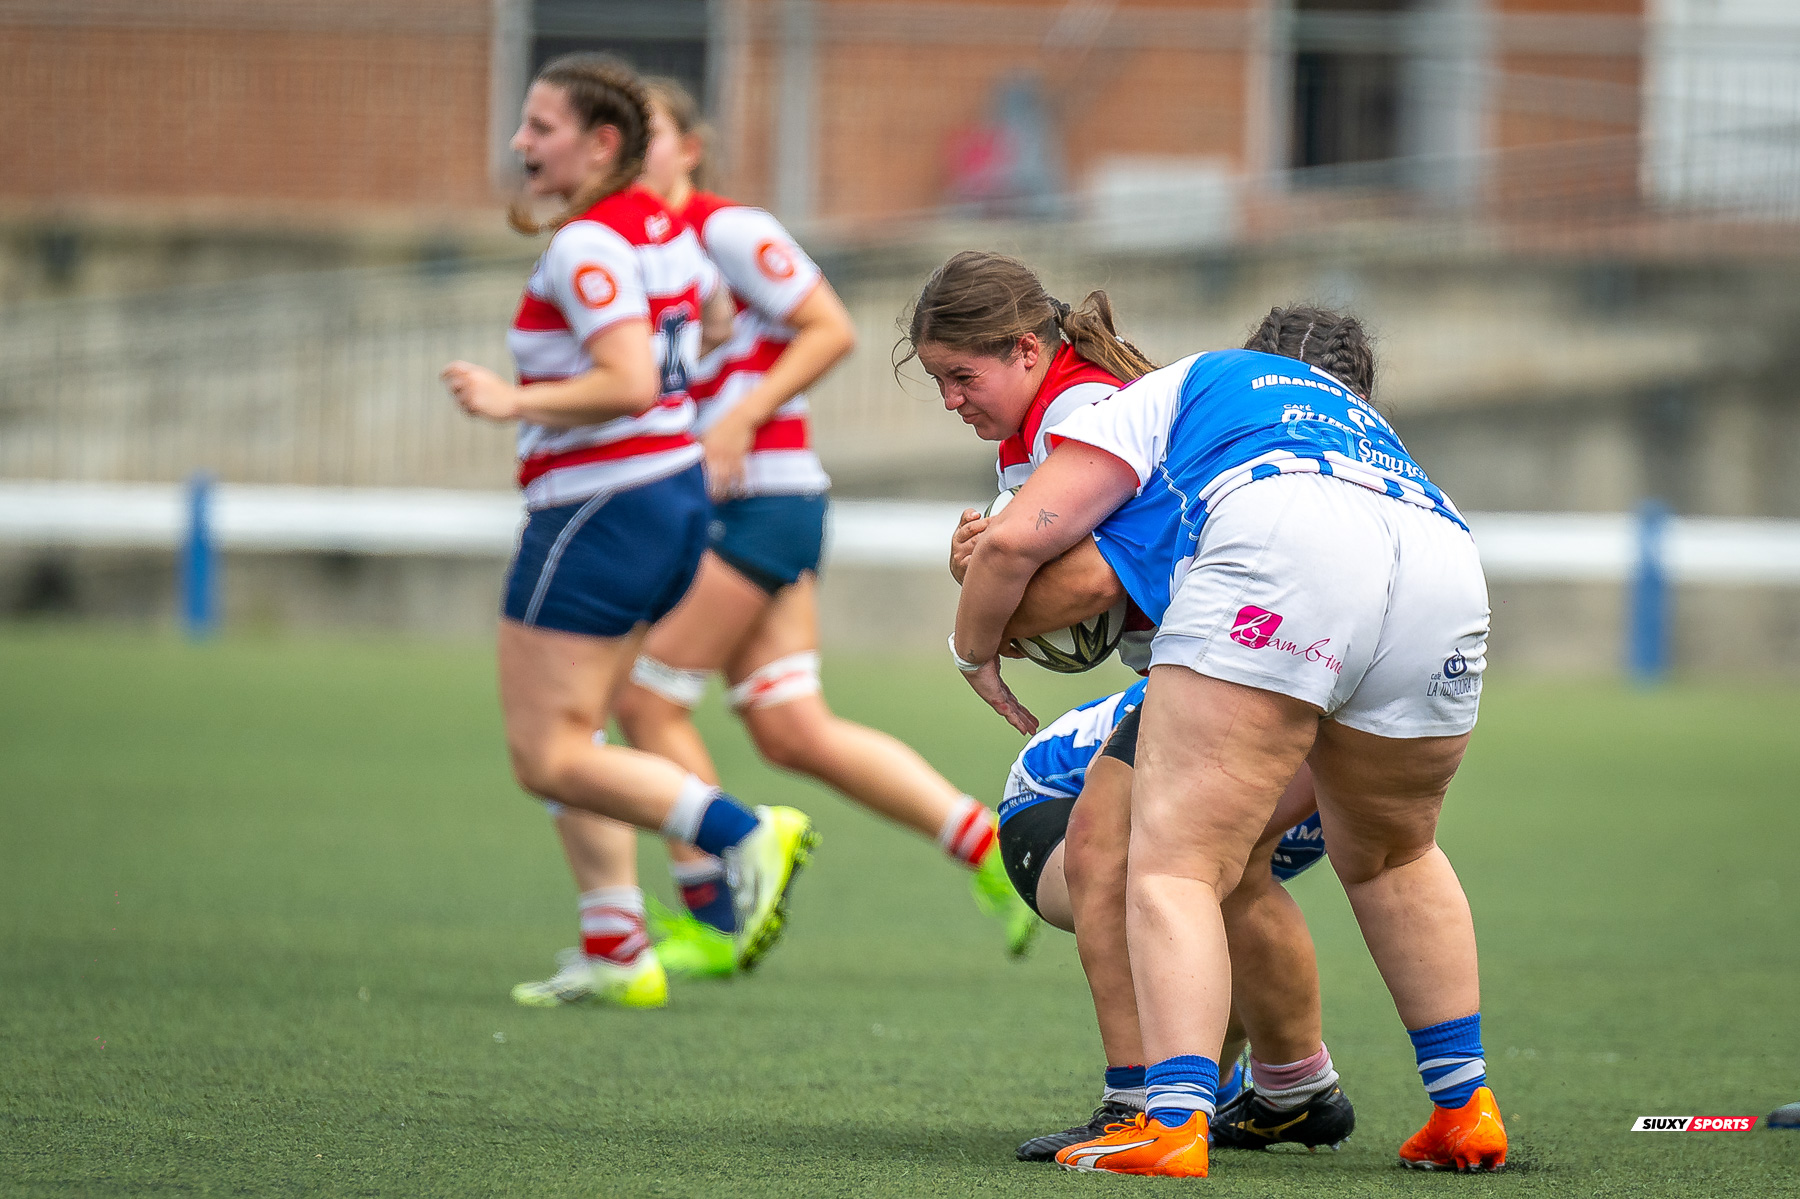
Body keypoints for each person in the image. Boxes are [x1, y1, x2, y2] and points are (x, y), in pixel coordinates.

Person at [952, 304, 1507, 1176]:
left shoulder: (1183, 388)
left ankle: (1171, 1120)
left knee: (1175, 862)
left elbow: (1039, 551)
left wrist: (977, 638)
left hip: (1290, 546)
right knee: (1396, 855)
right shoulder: (1366, 428)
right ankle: (1465, 1107)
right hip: (1443, 557)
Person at [531, 80, 1037, 988]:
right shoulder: (639, 248)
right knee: (790, 727)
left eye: (652, 132)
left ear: (689, 149)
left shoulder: (726, 228)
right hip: (729, 503)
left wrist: (740, 417)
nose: (632, 146)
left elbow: (829, 327)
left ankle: (715, 910)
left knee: (646, 701)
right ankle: (987, 847)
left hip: (760, 499)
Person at [901, 253, 1354, 1160]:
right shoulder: (1051, 416)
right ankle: (1298, 1085)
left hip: (1240, 670)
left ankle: (1146, 1101)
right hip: (1291, 670)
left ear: (1026, 349)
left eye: (961, 375)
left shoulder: (1083, 410)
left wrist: (980, 628)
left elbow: (1089, 583)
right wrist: (988, 566)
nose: (949, 398)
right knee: (1231, 867)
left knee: (1102, 849)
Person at [439, 53, 817, 1012]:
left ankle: (742, 834)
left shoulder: (588, 243)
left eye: (541, 126)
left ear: (602, 142)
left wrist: (511, 399)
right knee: (582, 731)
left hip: (601, 506)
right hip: (664, 498)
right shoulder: (664, 229)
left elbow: (631, 381)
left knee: (548, 753)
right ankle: (616, 941)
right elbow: (716, 326)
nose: (521, 143)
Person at [997, 679, 1352, 1161]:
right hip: (1054, 799)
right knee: (1175, 884)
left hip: (1273, 741)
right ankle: (1139, 1100)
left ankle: (1286, 1091)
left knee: (1230, 889)